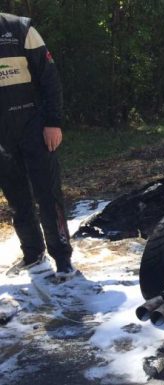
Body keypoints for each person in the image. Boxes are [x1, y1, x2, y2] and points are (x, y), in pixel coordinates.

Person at [0, 13, 75, 279]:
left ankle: (62, 257)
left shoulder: (19, 28)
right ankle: (33, 253)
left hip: (35, 128)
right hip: (2, 137)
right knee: (18, 200)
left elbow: (49, 78)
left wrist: (53, 122)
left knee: (48, 195)